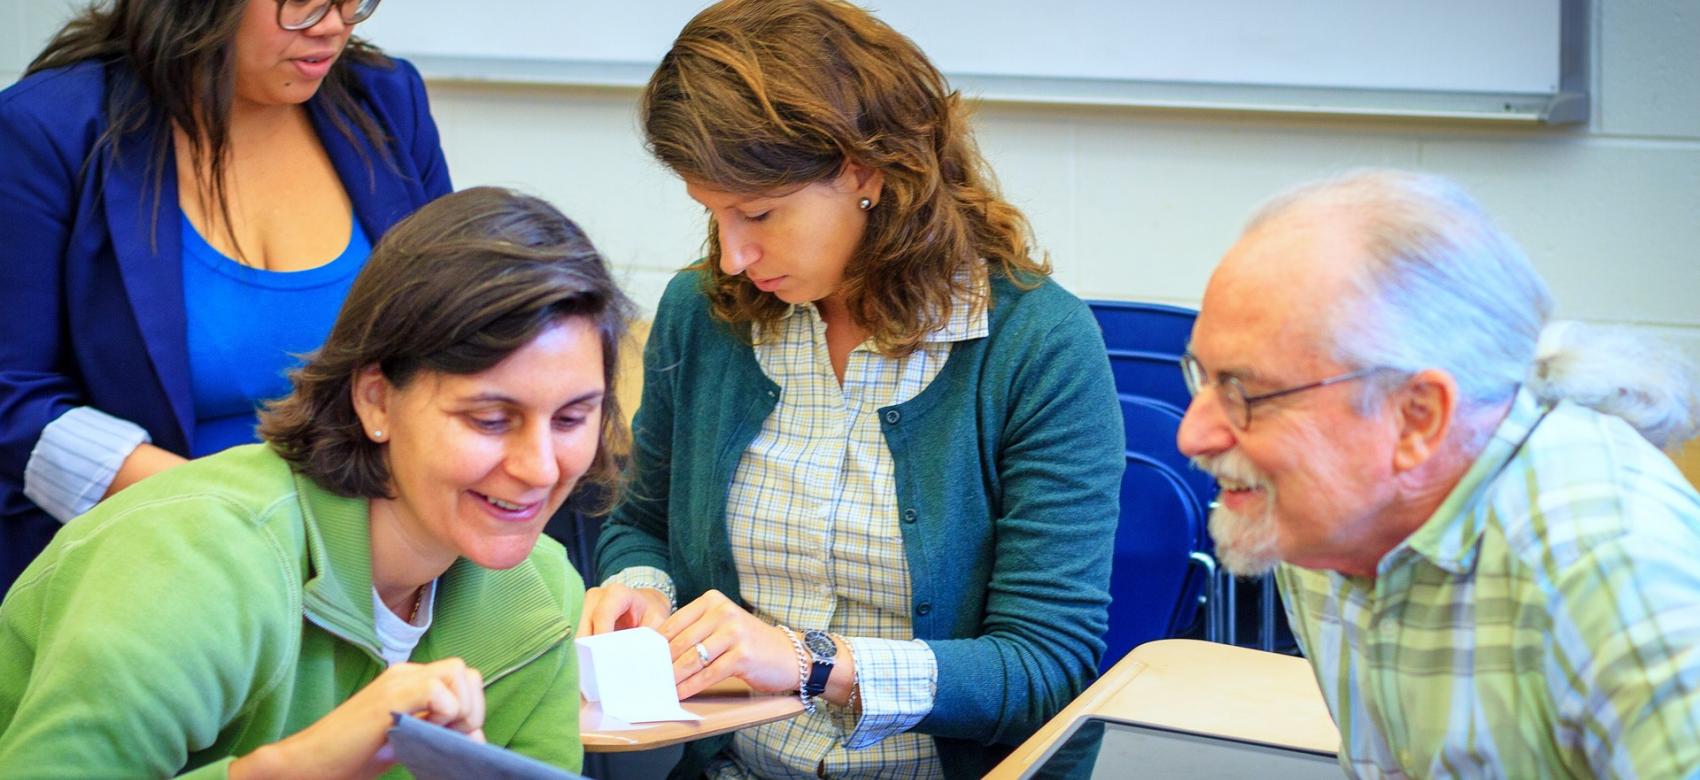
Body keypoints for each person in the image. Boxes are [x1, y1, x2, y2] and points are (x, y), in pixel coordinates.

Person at [581, 1, 1123, 777]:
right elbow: (642, 525)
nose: (733, 256)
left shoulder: (1036, 345)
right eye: (714, 216)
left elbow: (1045, 668)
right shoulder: (702, 316)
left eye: (758, 213)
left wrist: (813, 663)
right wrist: (643, 592)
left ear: (866, 171)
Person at [0, 186, 631, 777]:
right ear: (377, 400)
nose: (541, 467)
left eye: (572, 418)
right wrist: (286, 768)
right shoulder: (199, 559)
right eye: (491, 420)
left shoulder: (542, 595)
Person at [1176, 168, 1700, 777]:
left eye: (1245, 391)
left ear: (1416, 418)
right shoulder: (1321, 520)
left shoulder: (1613, 572)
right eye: (1203, 376)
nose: (1193, 433)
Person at [0, 0, 453, 591]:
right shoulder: (49, 130)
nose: (333, 23)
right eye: (301, 1)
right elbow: (13, 396)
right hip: (146, 564)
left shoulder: (386, 100)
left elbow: (454, 333)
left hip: (379, 562)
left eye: (352, 0)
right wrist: (243, 521)